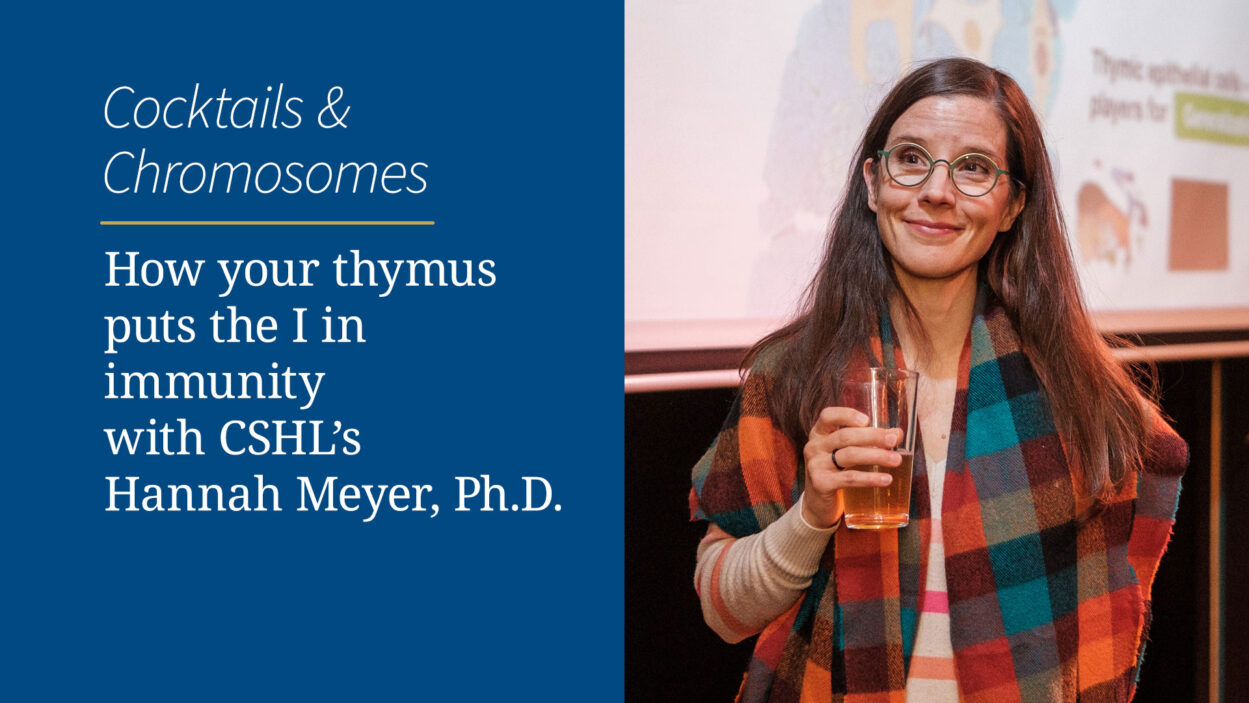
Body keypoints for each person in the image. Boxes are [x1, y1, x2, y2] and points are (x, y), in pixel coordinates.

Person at [689, 57, 1187, 703]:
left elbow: (1150, 476)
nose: (936, 191)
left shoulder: (1071, 382)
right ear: (872, 183)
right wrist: (810, 515)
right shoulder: (790, 373)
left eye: (974, 168)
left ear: (1011, 206)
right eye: (911, 159)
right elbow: (723, 613)